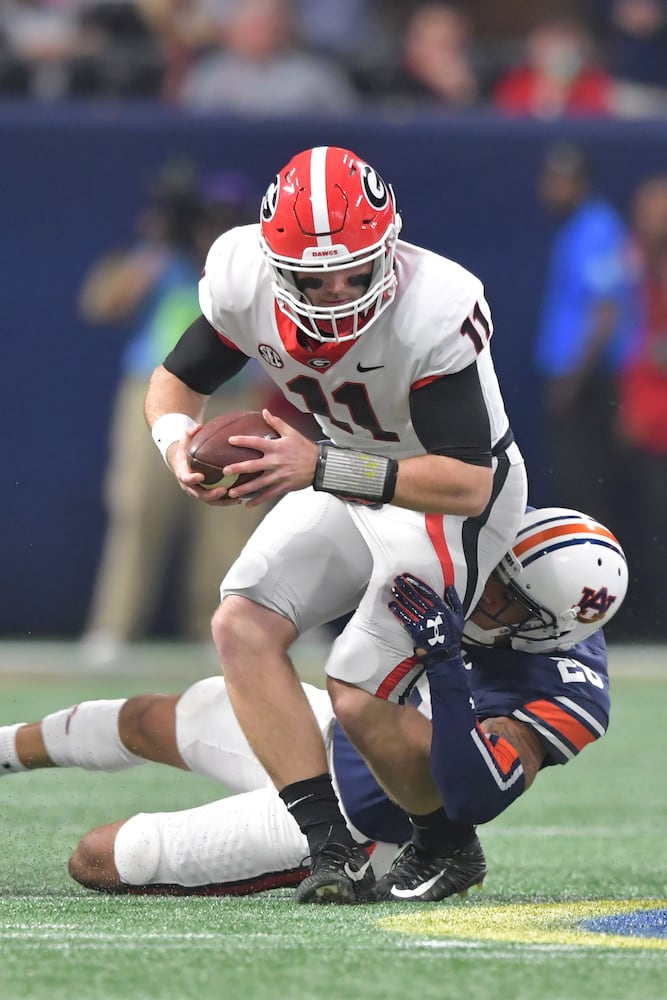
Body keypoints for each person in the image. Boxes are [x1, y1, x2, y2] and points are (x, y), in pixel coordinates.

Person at [143, 144, 528, 904]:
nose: (338, 291)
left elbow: (466, 479)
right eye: (313, 277)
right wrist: (175, 445)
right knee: (241, 625)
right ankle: (330, 848)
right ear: (271, 259)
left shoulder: (436, 304)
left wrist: (319, 465)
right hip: (339, 465)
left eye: (355, 269)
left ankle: (448, 842)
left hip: (442, 501)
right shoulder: (240, 276)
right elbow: (176, 382)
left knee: (356, 691)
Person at [0, 507, 628, 901]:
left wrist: (447, 670)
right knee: (144, 717)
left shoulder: (564, 689)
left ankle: (342, 854)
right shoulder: (478, 544)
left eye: (502, 595)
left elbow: (472, 795)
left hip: (367, 821)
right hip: (332, 730)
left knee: (101, 856)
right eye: (491, 565)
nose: (480, 582)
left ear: (544, 628)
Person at [79, 160, 270, 666]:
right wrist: (157, 247)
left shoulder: (246, 268)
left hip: (232, 397)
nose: (210, 231)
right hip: (153, 392)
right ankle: (114, 628)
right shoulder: (158, 260)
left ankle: (215, 629)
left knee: (233, 519)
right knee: (139, 508)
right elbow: (103, 304)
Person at [531, 141, 634, 535]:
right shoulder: (576, 229)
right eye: (550, 180)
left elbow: (606, 311)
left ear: (581, 183)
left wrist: (573, 378)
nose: (552, 189)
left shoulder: (597, 227)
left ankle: (599, 581)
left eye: (562, 181)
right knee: (576, 483)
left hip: (590, 381)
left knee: (589, 483)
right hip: (579, 377)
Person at [617, 174, 667, 638]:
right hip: (639, 413)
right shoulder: (631, 257)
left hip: (661, 419)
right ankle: (642, 619)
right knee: (639, 521)